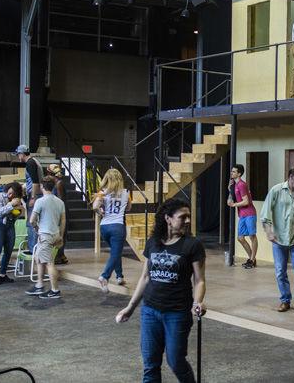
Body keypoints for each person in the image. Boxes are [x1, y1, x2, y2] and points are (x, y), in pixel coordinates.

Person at [115, 198, 206, 383]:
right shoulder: (153, 243)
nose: (187, 220)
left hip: (177, 313)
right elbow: (145, 278)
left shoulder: (192, 245)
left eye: (189, 216)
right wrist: (130, 308)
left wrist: (197, 301)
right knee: (150, 364)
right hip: (150, 311)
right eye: (183, 217)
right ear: (168, 219)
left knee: (176, 361)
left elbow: (199, 280)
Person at [261, 166, 294, 314]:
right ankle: (285, 300)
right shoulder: (276, 190)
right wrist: (269, 231)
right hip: (278, 239)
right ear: (290, 177)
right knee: (280, 272)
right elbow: (265, 214)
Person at [25, 176, 66, 299]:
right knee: (38, 258)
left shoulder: (40, 201)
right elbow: (63, 221)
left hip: (45, 235)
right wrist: (61, 236)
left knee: (49, 263)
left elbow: (32, 220)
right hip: (55, 235)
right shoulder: (60, 202)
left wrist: (37, 229)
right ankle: (39, 285)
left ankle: (55, 290)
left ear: (42, 187)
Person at [93, 168, 132, 292]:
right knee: (116, 253)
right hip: (118, 227)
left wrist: (101, 212)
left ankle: (120, 276)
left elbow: (95, 206)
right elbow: (129, 208)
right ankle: (104, 276)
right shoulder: (126, 193)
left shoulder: (103, 193)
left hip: (104, 227)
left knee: (116, 252)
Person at [0, 182, 24, 285]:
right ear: (8, 189)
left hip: (10, 224)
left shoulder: (17, 199)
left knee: (9, 250)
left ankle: (3, 275)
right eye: (10, 192)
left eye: (14, 194)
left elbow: (16, 215)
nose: (11, 195)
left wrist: (18, 210)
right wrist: (11, 205)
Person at [227, 164, 258, 269]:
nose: (232, 173)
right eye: (231, 171)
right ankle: (251, 259)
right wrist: (229, 189)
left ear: (239, 173)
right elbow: (230, 200)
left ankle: (252, 260)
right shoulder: (235, 185)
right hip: (242, 215)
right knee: (240, 238)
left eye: (234, 172)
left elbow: (246, 201)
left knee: (252, 236)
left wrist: (234, 204)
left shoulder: (241, 185)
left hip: (250, 213)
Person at [13, 144, 43, 252]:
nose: (18, 157)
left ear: (22, 154)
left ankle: (32, 250)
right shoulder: (33, 161)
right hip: (36, 193)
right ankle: (33, 249)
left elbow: (35, 182)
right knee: (33, 222)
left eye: (18, 155)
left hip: (35, 195)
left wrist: (33, 197)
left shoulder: (30, 163)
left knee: (31, 223)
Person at [47, 164, 69, 265]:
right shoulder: (56, 183)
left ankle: (59, 256)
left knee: (61, 234)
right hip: (60, 210)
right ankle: (61, 255)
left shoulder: (59, 183)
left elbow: (61, 200)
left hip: (61, 211)